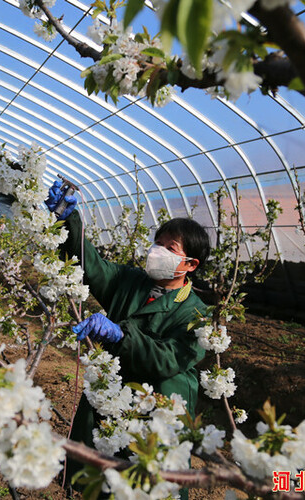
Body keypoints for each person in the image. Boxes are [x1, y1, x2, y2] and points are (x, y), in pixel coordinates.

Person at [46, 180, 210, 486]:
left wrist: (121, 336)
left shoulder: (197, 314)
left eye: (169, 248)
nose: (157, 251)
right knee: (96, 474)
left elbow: (170, 358)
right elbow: (90, 264)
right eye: (157, 242)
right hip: (111, 393)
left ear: (190, 264)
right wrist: (68, 218)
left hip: (157, 406)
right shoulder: (130, 281)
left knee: (144, 481)